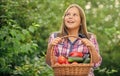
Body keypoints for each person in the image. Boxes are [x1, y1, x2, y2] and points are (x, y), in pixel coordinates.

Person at [46, 4, 102, 76]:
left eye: (75, 15)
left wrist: (92, 47)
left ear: (81, 21)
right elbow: (49, 62)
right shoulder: (55, 37)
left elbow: (96, 63)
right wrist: (50, 47)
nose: (70, 17)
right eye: (67, 14)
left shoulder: (90, 38)